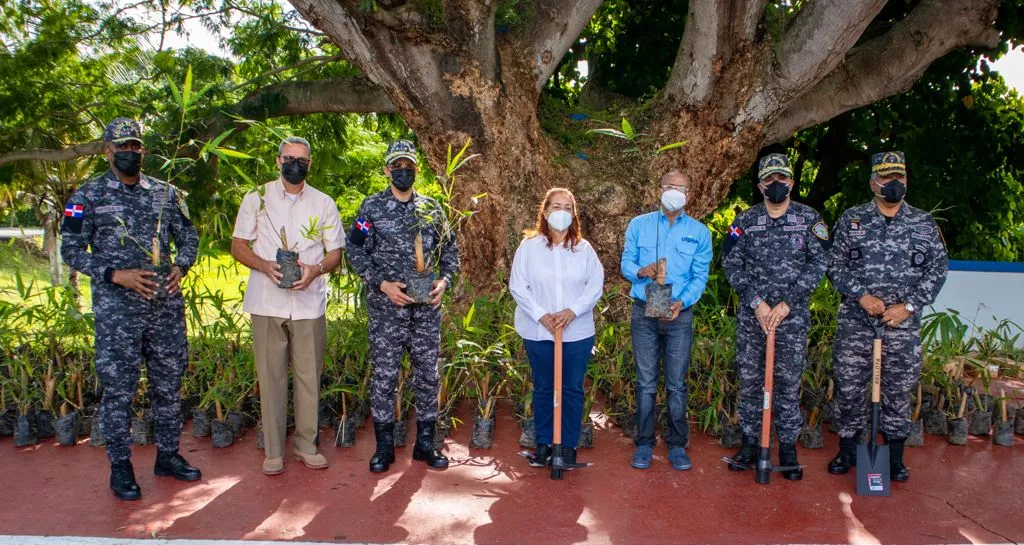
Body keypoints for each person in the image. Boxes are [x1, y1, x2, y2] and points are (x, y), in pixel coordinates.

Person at [61, 117, 200, 500]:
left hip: (164, 307)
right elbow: (70, 251)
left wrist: (180, 266)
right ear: (107, 151)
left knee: (169, 385)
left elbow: (189, 237)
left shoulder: (166, 194)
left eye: (135, 146)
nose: (129, 152)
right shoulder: (85, 197)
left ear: (144, 150)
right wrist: (112, 274)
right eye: (121, 147)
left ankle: (168, 455)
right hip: (117, 312)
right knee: (119, 390)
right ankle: (120, 466)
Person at [826, 151, 948, 482]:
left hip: (902, 326)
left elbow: (938, 269)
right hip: (857, 322)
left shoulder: (923, 223)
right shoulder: (853, 219)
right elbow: (833, 265)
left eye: (900, 177)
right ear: (872, 183)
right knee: (850, 387)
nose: (894, 184)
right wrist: (861, 295)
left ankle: (894, 457)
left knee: (898, 390)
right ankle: (847, 451)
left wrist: (909, 305)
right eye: (886, 178)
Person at [231, 136, 344, 475]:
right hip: (268, 301)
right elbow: (238, 245)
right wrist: (265, 265)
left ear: (310, 165)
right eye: (289, 158)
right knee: (271, 377)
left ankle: (307, 446)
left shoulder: (324, 203)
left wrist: (316, 270)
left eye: (303, 160)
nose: (296, 165)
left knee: (310, 377)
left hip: (309, 304)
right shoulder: (257, 198)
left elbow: (335, 252)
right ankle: (274, 451)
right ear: (278, 161)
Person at [347, 139, 459, 473]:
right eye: (397, 166)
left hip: (426, 311)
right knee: (385, 376)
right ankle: (384, 448)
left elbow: (450, 252)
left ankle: (425, 445)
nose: (403, 171)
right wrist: (381, 283)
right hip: (387, 309)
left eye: (408, 165)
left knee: (427, 375)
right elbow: (354, 251)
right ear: (386, 170)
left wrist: (444, 282)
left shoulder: (432, 209)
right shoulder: (371, 209)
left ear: (417, 169)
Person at [721, 153, 830, 480]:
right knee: (752, 381)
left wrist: (786, 304)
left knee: (787, 382)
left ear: (792, 183)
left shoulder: (809, 220)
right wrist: (757, 303)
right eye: (769, 180)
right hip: (754, 320)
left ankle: (788, 448)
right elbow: (730, 264)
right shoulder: (744, 222)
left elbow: (818, 265)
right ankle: (752, 444)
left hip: (791, 320)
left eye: (782, 178)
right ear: (760, 185)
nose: (776, 184)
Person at [620, 170, 712, 471]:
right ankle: (644, 443)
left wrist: (681, 302)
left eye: (681, 188)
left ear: (689, 195)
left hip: (678, 314)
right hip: (645, 309)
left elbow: (699, 277)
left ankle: (676, 445)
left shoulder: (699, 232)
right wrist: (641, 271)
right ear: (659, 189)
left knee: (676, 384)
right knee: (646, 382)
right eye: (670, 186)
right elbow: (626, 264)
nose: (675, 191)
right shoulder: (639, 224)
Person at [509, 188, 604, 468]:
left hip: (576, 331)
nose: (561, 211)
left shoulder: (584, 249)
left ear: (573, 214)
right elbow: (518, 285)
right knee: (543, 387)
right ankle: (543, 444)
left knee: (572, 388)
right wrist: (541, 315)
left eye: (567, 206)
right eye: (555, 206)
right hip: (538, 330)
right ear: (545, 211)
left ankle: (568, 446)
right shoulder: (529, 247)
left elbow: (595, 286)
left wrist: (571, 312)